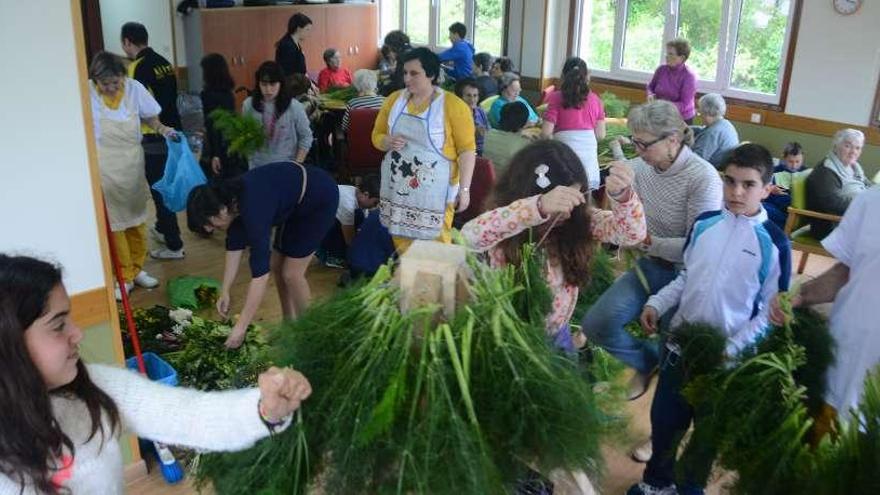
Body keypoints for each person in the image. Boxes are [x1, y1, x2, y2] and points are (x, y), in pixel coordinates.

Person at [0, 254, 312, 493]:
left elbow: (188, 415)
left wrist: (264, 409)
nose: (78, 334)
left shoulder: (93, 388)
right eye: (58, 326)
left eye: (70, 319)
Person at [629, 143, 791, 495]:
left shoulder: (774, 244)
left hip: (724, 361)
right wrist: (657, 302)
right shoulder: (705, 224)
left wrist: (729, 350)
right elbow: (687, 276)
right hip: (678, 348)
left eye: (748, 184)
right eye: (729, 181)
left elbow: (770, 314)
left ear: (767, 188)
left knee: (707, 434)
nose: (735, 192)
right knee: (665, 422)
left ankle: (690, 488)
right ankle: (657, 483)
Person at [582, 100, 722, 399]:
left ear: (673, 139)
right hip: (650, 267)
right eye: (634, 142)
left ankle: (665, 383)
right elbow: (626, 217)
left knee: (673, 341)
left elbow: (698, 248)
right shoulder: (641, 167)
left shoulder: (703, 177)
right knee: (596, 324)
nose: (637, 151)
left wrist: (647, 241)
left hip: (687, 276)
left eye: (643, 144)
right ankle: (648, 363)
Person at [462, 140, 646, 351]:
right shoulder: (508, 219)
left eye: (574, 198)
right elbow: (470, 236)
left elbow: (632, 233)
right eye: (559, 201)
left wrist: (622, 197)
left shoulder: (581, 221)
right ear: (528, 191)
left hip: (557, 334)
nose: (566, 212)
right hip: (508, 340)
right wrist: (538, 207)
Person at [186, 162, 339, 348]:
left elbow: (260, 276)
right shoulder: (231, 201)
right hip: (293, 203)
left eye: (209, 222)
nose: (210, 228)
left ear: (221, 209)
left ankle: (311, 333)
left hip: (318, 198)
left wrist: (241, 327)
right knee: (277, 265)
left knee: (292, 273)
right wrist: (225, 290)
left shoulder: (253, 209)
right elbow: (233, 248)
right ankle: (289, 325)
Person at [769, 186, 880, 441]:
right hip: (842, 360)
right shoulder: (871, 201)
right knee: (812, 464)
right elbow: (846, 271)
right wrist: (802, 295)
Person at [88, 52, 174, 300]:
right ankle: (122, 275)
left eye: (116, 83)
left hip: (132, 162)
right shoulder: (87, 93)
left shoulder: (134, 88)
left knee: (137, 217)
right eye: (106, 84)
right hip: (105, 165)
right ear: (96, 80)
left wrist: (162, 128)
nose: (113, 88)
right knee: (116, 223)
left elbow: (150, 115)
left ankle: (136, 269)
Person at [371, 47, 476, 251]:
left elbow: (467, 151)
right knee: (402, 243)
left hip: (436, 193)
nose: (407, 79)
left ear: (432, 75)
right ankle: (409, 280)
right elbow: (376, 136)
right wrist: (387, 141)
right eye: (405, 73)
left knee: (435, 249)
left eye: (414, 73)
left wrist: (465, 189)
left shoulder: (453, 106)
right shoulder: (394, 101)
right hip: (399, 188)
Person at [120, 22, 185, 261]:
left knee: (159, 190)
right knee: (166, 183)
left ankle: (174, 244)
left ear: (127, 41)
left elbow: (135, 105)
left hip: (154, 136)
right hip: (174, 132)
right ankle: (161, 227)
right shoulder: (164, 63)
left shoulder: (137, 68)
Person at [540, 57, 606, 190]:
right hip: (589, 171)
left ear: (563, 75)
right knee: (584, 203)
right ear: (587, 75)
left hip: (565, 167)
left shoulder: (556, 97)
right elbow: (600, 135)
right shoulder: (595, 99)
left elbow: (546, 134)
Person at [242, 61, 313, 169]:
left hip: (286, 165)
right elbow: (245, 136)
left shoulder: (294, 106)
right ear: (258, 84)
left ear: (281, 84)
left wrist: (297, 164)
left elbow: (306, 137)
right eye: (264, 84)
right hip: (257, 166)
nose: (268, 90)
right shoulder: (248, 105)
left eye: (273, 84)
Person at [806, 128, 873, 239]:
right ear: (836, 146)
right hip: (833, 227)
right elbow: (834, 205)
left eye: (858, 148)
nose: (853, 152)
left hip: (856, 219)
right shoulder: (826, 171)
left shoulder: (854, 167)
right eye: (848, 146)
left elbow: (867, 185)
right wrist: (865, 203)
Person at [200, 53, 247, 180]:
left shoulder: (208, 95)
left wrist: (215, 154)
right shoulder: (228, 93)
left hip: (217, 144)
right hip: (230, 141)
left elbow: (213, 125)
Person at [319, 175, 381, 268]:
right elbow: (349, 239)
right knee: (356, 217)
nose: (374, 206)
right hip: (313, 226)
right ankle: (332, 256)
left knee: (359, 216)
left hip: (322, 220)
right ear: (366, 195)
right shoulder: (347, 203)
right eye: (375, 202)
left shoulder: (354, 192)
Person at [647, 38, 697, 124]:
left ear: (681, 58)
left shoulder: (689, 76)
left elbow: (684, 104)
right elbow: (650, 86)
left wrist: (662, 106)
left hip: (681, 119)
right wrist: (650, 95)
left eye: (671, 54)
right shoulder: (661, 70)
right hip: (659, 114)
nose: (666, 56)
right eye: (667, 53)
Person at [482, 101, 534, 174]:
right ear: (525, 122)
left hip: (482, 180)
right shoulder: (525, 145)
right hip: (507, 183)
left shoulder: (487, 134)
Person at [763, 142, 805, 228]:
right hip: (774, 205)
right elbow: (763, 190)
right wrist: (771, 189)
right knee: (761, 206)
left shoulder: (805, 173)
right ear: (784, 158)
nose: (794, 165)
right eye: (790, 162)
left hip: (791, 209)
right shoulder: (774, 171)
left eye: (797, 161)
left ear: (802, 159)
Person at [691, 93, 739, 168]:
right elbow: (703, 129)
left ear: (706, 111)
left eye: (700, 110)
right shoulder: (724, 123)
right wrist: (687, 128)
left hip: (713, 170)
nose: (698, 113)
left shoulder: (712, 133)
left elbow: (695, 161)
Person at [455, 79, 490, 156]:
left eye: (475, 95)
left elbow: (489, 131)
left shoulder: (480, 111)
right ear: (460, 97)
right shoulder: (456, 116)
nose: (472, 100)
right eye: (468, 95)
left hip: (487, 150)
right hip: (469, 154)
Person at [275, 13, 312, 77]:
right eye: (307, 29)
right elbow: (288, 72)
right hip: (292, 84)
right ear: (298, 28)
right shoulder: (287, 46)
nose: (308, 33)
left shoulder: (296, 44)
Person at [379, 30, 413, 96]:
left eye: (389, 47)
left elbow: (399, 85)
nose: (389, 50)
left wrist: (382, 90)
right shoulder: (412, 50)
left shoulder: (402, 57)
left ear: (393, 46)